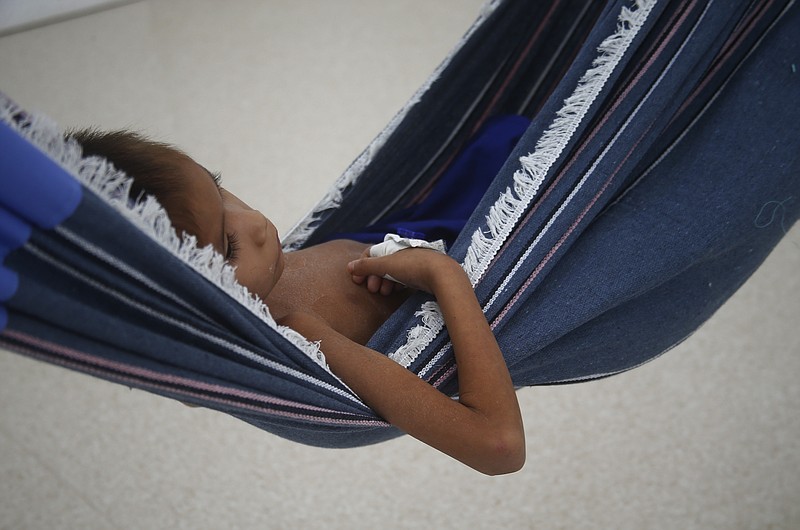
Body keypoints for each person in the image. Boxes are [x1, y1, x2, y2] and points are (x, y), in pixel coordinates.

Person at [68, 129, 526, 475]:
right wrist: (442, 274)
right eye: (228, 247)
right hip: (488, 274)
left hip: (422, 228)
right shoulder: (301, 335)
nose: (257, 223)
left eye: (219, 187)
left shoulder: (259, 278)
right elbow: (498, 445)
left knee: (502, 133)